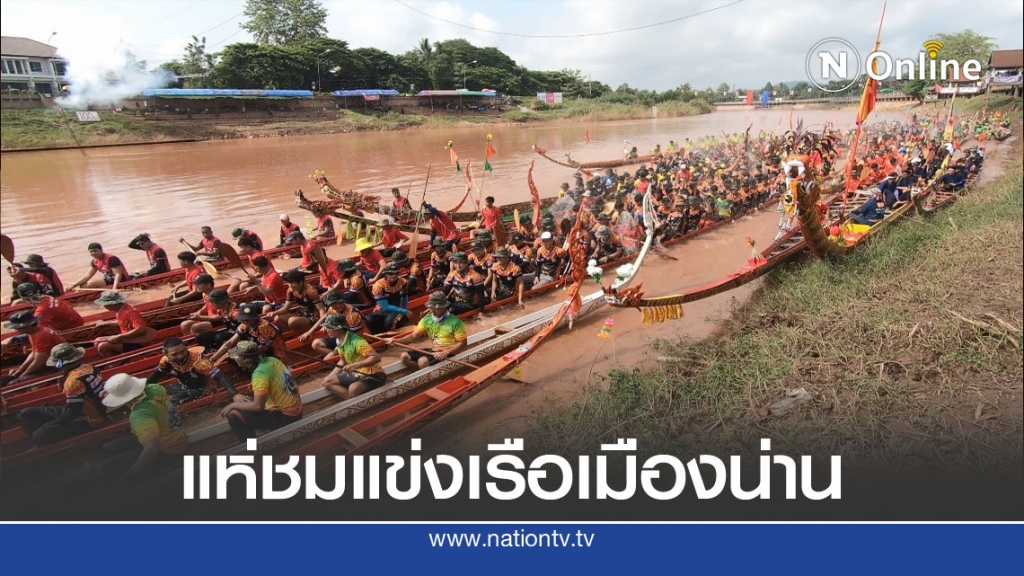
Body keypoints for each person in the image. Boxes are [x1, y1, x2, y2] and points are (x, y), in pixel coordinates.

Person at [99, 373, 189, 486]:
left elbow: (152, 447)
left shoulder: (140, 416)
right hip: (174, 435)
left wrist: (128, 477)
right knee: (109, 447)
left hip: (168, 450)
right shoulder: (155, 388)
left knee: (109, 465)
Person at [16, 343, 107, 446]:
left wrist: (51, 424)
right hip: (83, 408)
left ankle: (48, 444)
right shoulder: (89, 367)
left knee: (39, 435)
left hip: (89, 419)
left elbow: (73, 412)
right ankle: (46, 438)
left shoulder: (73, 382)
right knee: (26, 414)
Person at [219, 341, 303, 441]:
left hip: (287, 417)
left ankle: (251, 448)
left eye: (237, 358)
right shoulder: (272, 360)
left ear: (246, 360)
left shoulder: (259, 374)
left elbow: (258, 407)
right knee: (246, 403)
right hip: (295, 411)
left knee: (234, 415)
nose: (235, 361)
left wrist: (232, 405)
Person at [386, 292, 467, 370]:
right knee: (404, 356)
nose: (432, 311)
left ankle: (424, 371)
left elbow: (462, 343)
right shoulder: (426, 320)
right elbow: (414, 335)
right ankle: (421, 372)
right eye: (431, 308)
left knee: (422, 361)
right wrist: (397, 341)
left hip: (449, 352)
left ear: (443, 307)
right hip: (434, 350)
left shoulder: (455, 322)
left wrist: (446, 352)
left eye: (436, 308)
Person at [147, 337, 238, 405]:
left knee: (170, 400)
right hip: (183, 387)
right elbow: (156, 375)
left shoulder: (198, 360)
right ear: (166, 354)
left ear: (186, 348)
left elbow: (220, 376)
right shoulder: (165, 361)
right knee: (158, 390)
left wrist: (234, 394)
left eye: (182, 351)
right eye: (174, 354)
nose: (180, 356)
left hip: (202, 390)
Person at [320, 313, 386, 400]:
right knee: (327, 382)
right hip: (356, 374)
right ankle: (351, 402)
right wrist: (330, 376)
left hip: (373, 374)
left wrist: (355, 365)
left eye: (330, 328)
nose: (327, 330)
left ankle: (354, 401)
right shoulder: (339, 340)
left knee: (353, 389)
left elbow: (376, 357)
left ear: (339, 328)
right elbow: (343, 361)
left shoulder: (357, 341)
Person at [3, 311, 65, 384]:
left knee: (14, 383)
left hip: (59, 366)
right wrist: (20, 369)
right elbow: (35, 352)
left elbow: (39, 361)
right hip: (48, 363)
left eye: (17, 327)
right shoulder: (33, 333)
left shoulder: (41, 335)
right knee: (8, 377)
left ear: (25, 326)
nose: (16, 329)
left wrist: (22, 375)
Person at [93, 291, 159, 357]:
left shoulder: (131, 312)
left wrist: (119, 337)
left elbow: (141, 329)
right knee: (97, 341)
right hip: (126, 339)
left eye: (106, 304)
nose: (105, 306)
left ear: (112, 304)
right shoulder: (120, 310)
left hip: (137, 342)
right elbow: (122, 322)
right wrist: (105, 323)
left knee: (102, 347)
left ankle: (119, 362)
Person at [210, 303, 284, 362]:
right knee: (232, 355)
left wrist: (244, 354)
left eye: (248, 319)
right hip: (259, 348)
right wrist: (213, 358)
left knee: (241, 356)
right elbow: (230, 342)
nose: (245, 322)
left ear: (254, 318)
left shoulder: (263, 327)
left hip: (275, 353)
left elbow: (264, 348)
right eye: (243, 320)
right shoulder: (244, 325)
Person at [311, 289, 368, 356]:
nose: (338, 306)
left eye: (340, 302)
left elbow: (357, 335)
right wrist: (310, 332)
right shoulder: (332, 309)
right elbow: (324, 317)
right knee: (316, 344)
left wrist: (338, 349)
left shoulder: (352, 315)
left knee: (331, 355)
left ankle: (339, 356)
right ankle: (339, 357)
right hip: (341, 337)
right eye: (334, 303)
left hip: (358, 339)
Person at [273, 270, 328, 336]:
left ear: (301, 282)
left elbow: (321, 309)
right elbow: (285, 308)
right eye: (289, 283)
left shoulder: (311, 291)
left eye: (293, 283)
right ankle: (288, 337)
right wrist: (273, 313)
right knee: (277, 318)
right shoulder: (290, 290)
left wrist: (324, 323)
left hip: (314, 316)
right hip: (302, 313)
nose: (290, 285)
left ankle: (296, 336)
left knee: (292, 321)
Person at [16, 282, 84, 331]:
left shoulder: (42, 310)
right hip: (77, 321)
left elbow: (35, 329)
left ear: (23, 298)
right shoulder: (47, 297)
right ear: (38, 291)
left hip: (72, 328)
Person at [366, 262, 409, 334]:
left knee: (389, 322)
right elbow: (385, 306)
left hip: (396, 310)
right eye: (390, 273)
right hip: (381, 310)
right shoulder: (379, 285)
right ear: (386, 274)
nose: (393, 275)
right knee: (368, 320)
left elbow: (404, 297)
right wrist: (403, 310)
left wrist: (405, 310)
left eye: (396, 273)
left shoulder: (403, 282)